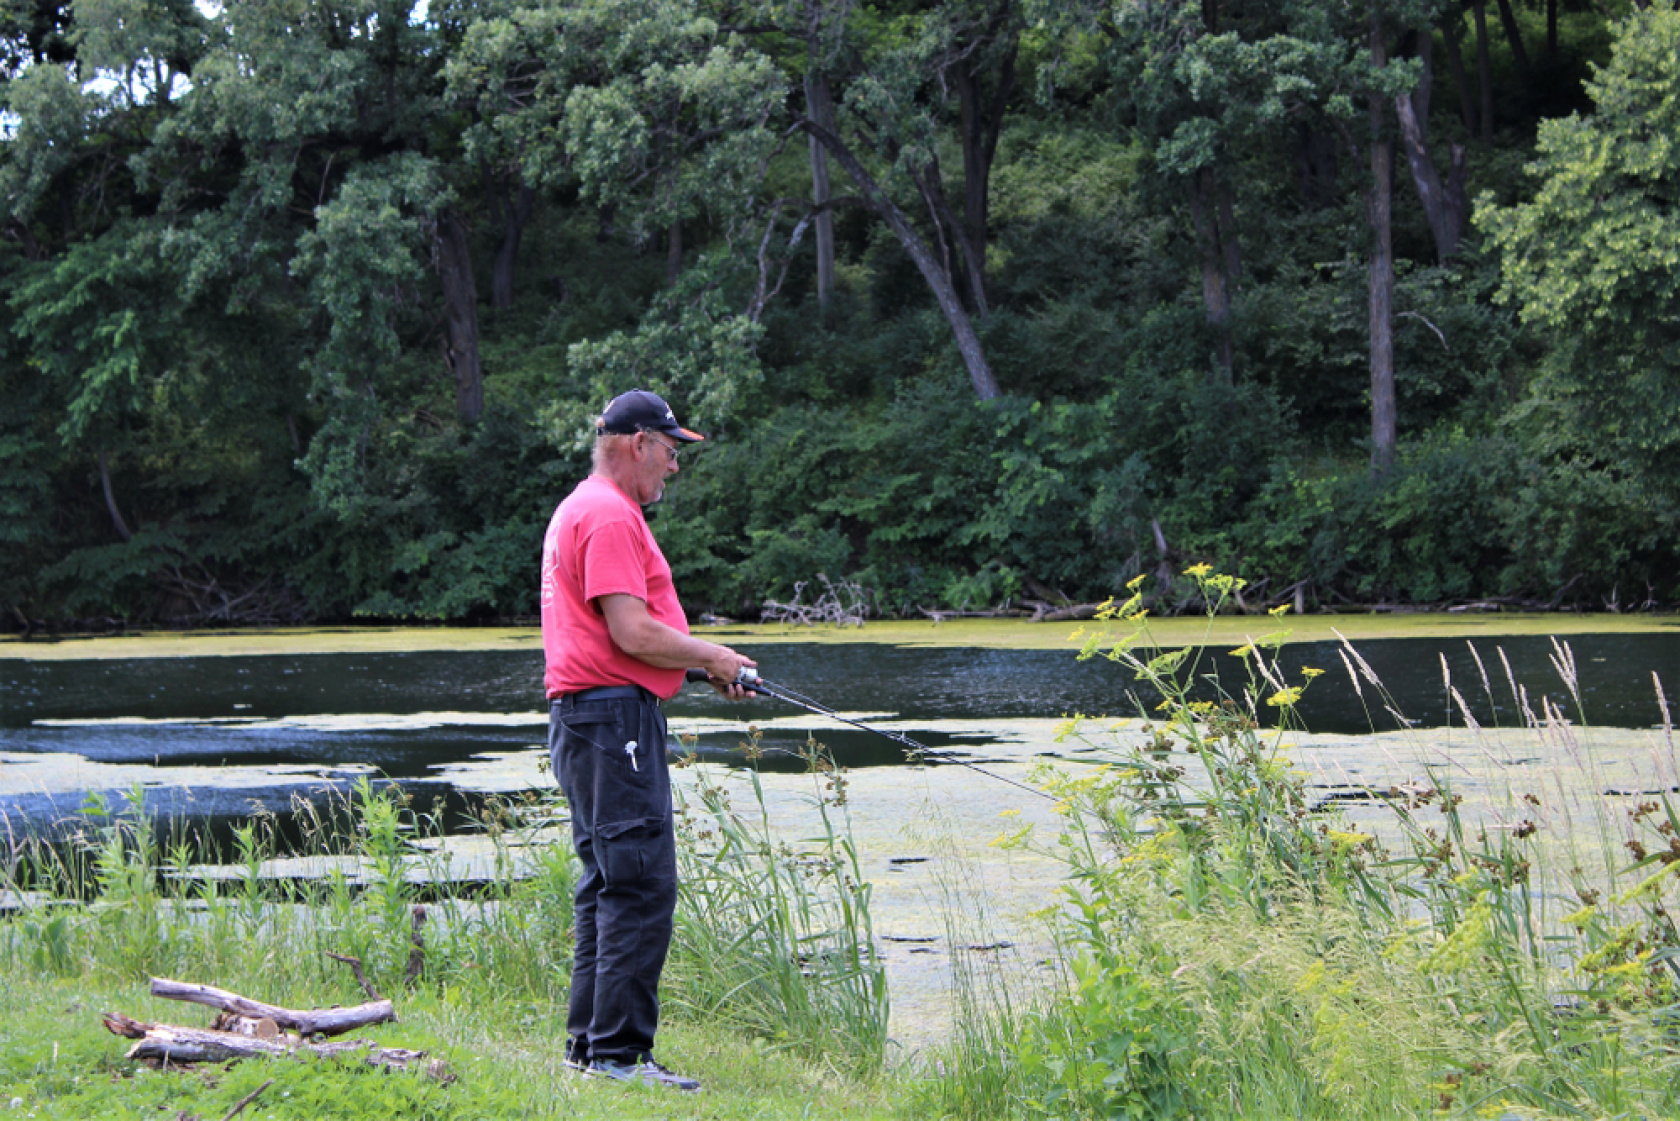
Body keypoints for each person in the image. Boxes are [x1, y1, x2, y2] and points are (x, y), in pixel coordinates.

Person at [540, 388, 756, 1093]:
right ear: (637, 442)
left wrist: (698, 665)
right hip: (610, 724)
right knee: (639, 884)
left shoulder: (585, 505)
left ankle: (590, 1048)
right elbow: (630, 632)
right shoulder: (606, 514)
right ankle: (619, 1057)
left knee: (608, 881)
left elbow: (612, 641)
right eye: (669, 450)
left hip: (594, 719)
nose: (673, 465)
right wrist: (714, 653)